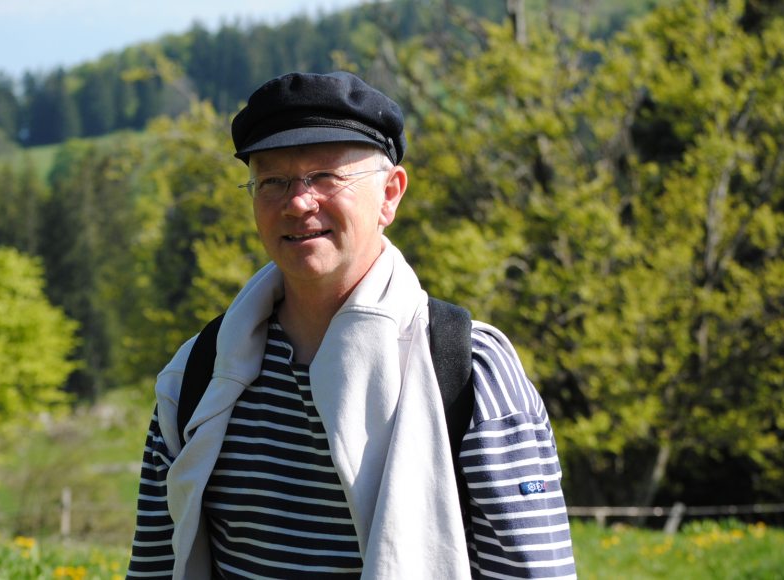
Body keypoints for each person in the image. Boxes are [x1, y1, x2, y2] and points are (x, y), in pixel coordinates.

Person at [127, 71, 576, 579]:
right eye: (273, 181)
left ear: (390, 194)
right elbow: (154, 569)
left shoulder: (469, 369)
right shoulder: (196, 375)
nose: (298, 202)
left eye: (326, 177)